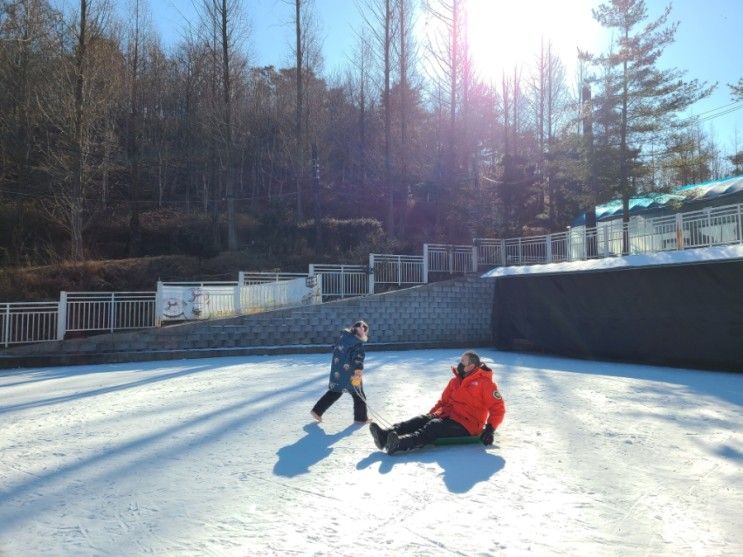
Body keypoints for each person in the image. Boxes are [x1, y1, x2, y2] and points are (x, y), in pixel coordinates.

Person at [369, 351, 505, 454]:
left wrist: (490, 430)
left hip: (468, 424)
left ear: (471, 366)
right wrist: (431, 414)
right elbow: (443, 401)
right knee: (421, 420)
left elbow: (498, 408)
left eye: (463, 362)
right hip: (448, 415)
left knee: (433, 427)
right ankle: (384, 435)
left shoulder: (485, 384)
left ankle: (400, 444)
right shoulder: (455, 381)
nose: (459, 364)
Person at [310, 320, 370, 424]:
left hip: (337, 372)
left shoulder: (343, 339)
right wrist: (358, 370)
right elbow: (358, 358)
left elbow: (334, 349)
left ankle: (317, 411)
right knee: (359, 395)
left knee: (335, 392)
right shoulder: (358, 345)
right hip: (352, 374)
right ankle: (361, 418)